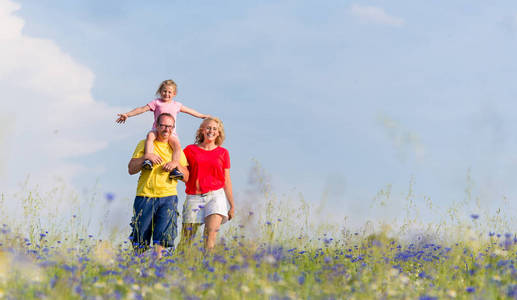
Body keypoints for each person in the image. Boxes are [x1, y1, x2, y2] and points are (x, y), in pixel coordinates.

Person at [117, 79, 209, 179]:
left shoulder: (176, 105)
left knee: (177, 146)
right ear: (160, 92)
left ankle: (174, 167)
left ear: (174, 93)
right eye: (164, 91)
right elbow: (141, 109)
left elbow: (190, 111)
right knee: (150, 136)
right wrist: (127, 114)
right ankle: (148, 159)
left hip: (171, 132)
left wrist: (201, 115)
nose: (166, 94)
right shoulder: (156, 103)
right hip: (157, 130)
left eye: (169, 92)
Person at [128, 113, 189, 259]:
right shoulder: (144, 144)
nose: (166, 129)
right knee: (140, 240)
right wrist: (145, 157)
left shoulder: (176, 149)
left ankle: (157, 269)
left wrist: (176, 164)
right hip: (145, 196)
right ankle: (138, 270)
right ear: (156, 125)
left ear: (173, 128)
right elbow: (131, 169)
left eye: (170, 126)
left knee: (162, 239)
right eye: (163, 125)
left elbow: (187, 177)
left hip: (167, 197)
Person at [178, 117, 234, 252]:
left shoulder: (223, 153)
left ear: (219, 132)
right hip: (194, 197)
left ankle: (206, 267)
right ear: (202, 130)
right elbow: (182, 172)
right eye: (208, 128)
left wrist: (232, 205)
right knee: (187, 238)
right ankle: (177, 267)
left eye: (215, 129)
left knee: (210, 237)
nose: (211, 131)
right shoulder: (189, 150)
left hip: (216, 196)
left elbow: (226, 180)